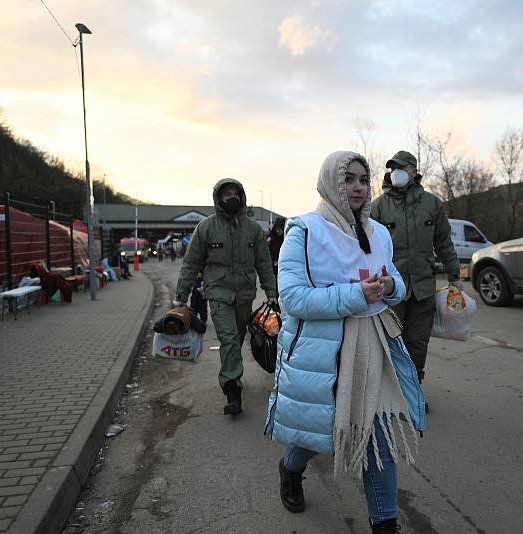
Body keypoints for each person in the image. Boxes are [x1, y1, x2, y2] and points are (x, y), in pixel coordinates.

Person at [264, 151, 425, 533]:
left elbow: (397, 285)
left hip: (375, 346)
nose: (356, 187)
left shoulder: (378, 232)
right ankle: (290, 468)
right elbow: (294, 300)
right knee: (319, 430)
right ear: (331, 183)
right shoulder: (304, 230)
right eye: (348, 179)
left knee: (377, 436)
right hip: (327, 349)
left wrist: (390, 286)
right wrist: (355, 296)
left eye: (361, 179)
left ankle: (384, 525)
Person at [176, 178, 277, 416]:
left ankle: (234, 375)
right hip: (218, 294)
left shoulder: (253, 229)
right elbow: (191, 263)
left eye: (235, 193)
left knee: (238, 337)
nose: (231, 198)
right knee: (230, 339)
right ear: (218, 199)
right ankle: (232, 390)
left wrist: (271, 292)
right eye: (226, 194)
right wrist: (182, 295)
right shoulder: (206, 227)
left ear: (242, 197)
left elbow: (263, 263)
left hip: (244, 295)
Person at [370, 150, 462, 388]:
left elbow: (443, 242)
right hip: (391, 288)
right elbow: (366, 247)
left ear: (413, 171)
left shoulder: (431, 204)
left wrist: (454, 276)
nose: (395, 173)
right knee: (391, 338)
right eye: (392, 168)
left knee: (418, 341)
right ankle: (390, 391)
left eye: (400, 168)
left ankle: (413, 390)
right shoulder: (378, 207)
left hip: (423, 287)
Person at [266, 216, 286, 282]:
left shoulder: (286, 239)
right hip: (271, 267)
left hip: (283, 268)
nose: (278, 231)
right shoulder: (271, 237)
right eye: (277, 229)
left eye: (280, 229)